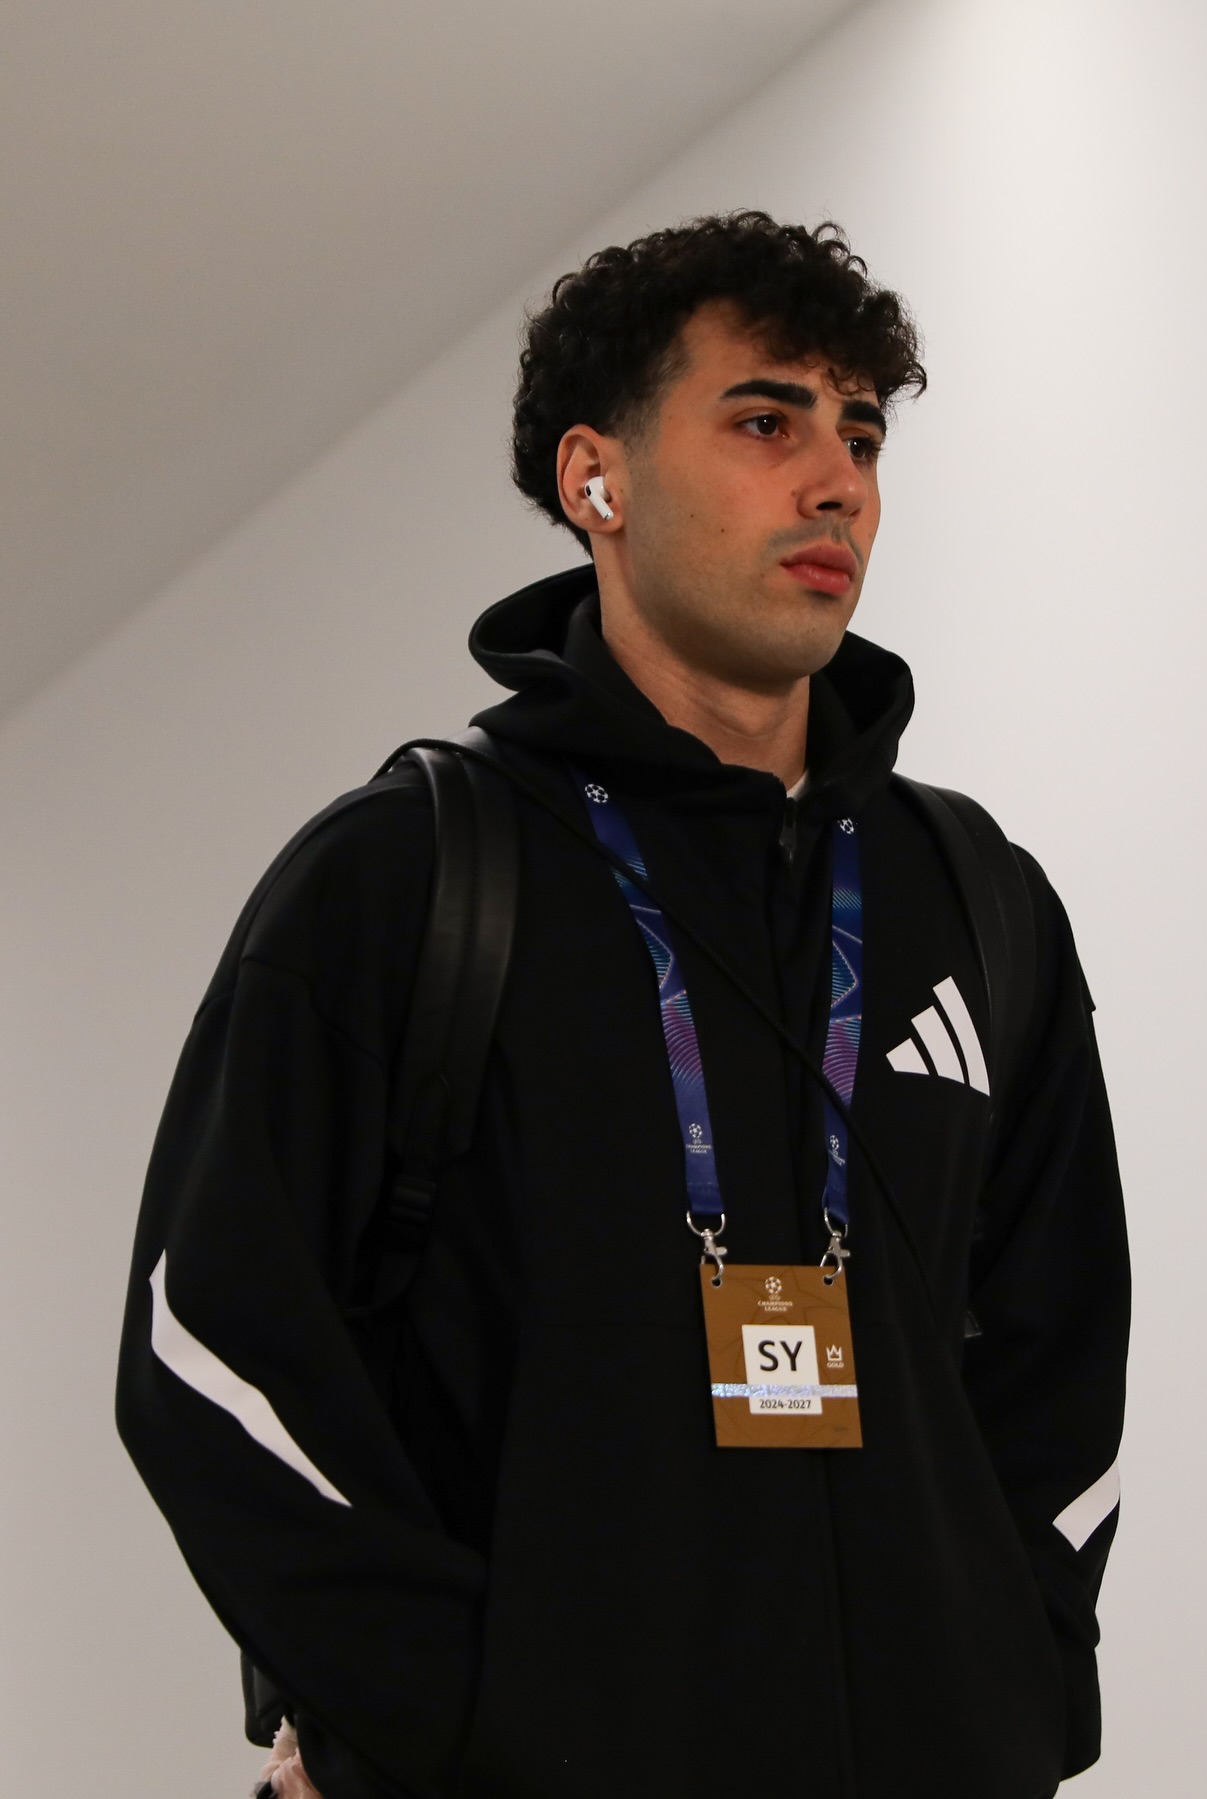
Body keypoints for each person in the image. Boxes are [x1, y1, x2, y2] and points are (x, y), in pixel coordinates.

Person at [117, 212, 1128, 1799]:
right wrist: (463, 1720)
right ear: (597, 479)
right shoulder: (407, 876)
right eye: (766, 421)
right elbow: (210, 1351)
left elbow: (1064, 1348)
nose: (839, 481)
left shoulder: (977, 899)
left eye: (862, 435)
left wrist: (1015, 1684)